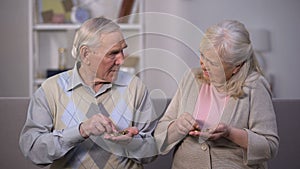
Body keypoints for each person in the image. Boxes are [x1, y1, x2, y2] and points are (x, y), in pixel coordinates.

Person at [19, 17, 158, 169]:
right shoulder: (50, 90)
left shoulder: (135, 87)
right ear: (85, 54)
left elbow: (152, 152)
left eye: (123, 50)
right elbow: (32, 150)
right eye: (113, 53)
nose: (121, 60)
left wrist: (132, 142)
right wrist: (81, 131)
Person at [154, 20, 279, 169]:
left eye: (212, 63)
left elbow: (269, 147)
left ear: (236, 66)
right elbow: (159, 136)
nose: (202, 64)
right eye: (202, 55)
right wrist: (178, 126)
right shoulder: (191, 78)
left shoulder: (255, 86)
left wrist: (230, 133)